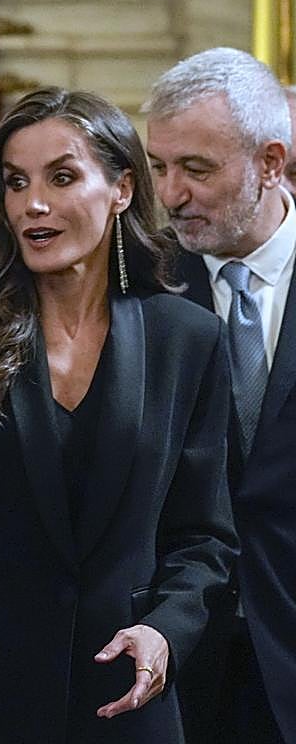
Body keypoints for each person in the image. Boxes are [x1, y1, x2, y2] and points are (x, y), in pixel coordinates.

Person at [0, 87, 238, 743]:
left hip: (125, 704)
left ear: (122, 188)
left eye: (62, 177)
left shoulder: (189, 339)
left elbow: (203, 538)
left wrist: (166, 630)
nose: (32, 203)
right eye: (16, 183)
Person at [146, 47, 296, 744]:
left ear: (270, 162)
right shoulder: (138, 285)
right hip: (179, 655)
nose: (172, 194)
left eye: (196, 169)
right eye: (158, 167)